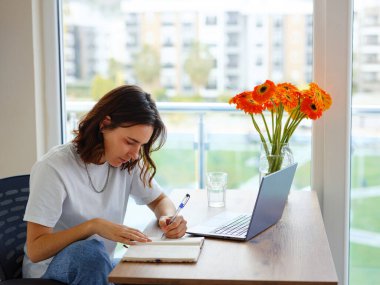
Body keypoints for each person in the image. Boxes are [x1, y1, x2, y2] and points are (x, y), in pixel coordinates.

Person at [22, 85, 188, 284]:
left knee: (153, 270)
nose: (135, 154)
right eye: (129, 141)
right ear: (104, 125)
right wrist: (94, 226)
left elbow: (160, 199)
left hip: (100, 266)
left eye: (141, 145)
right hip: (49, 271)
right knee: (90, 253)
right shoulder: (54, 167)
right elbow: (36, 249)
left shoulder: (128, 162)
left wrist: (168, 217)